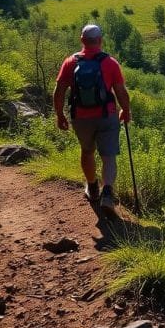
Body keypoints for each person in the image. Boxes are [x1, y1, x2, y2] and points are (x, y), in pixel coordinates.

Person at [53, 24, 131, 214]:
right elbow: (121, 92)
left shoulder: (70, 62)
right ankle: (107, 194)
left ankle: (92, 187)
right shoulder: (110, 63)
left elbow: (59, 91)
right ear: (100, 40)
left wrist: (60, 114)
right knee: (108, 156)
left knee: (87, 151)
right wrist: (126, 111)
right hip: (107, 115)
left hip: (81, 116)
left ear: (82, 40)